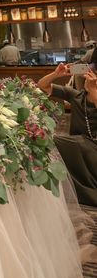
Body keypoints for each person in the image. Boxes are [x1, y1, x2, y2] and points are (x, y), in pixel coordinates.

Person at [37, 63, 97, 206]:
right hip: (78, 145)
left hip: (92, 148)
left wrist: (93, 90)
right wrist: (56, 74)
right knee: (50, 140)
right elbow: (41, 85)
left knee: (56, 140)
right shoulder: (76, 95)